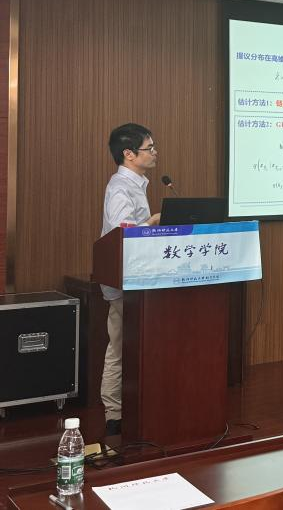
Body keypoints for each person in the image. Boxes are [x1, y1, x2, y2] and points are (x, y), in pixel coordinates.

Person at [100, 123, 161, 436]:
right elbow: (120, 233)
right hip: (124, 281)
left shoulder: (136, 184)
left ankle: (134, 408)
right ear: (128, 153)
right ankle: (114, 414)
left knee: (128, 345)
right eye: (149, 148)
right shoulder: (120, 187)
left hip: (139, 278)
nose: (155, 153)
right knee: (120, 346)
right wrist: (152, 223)